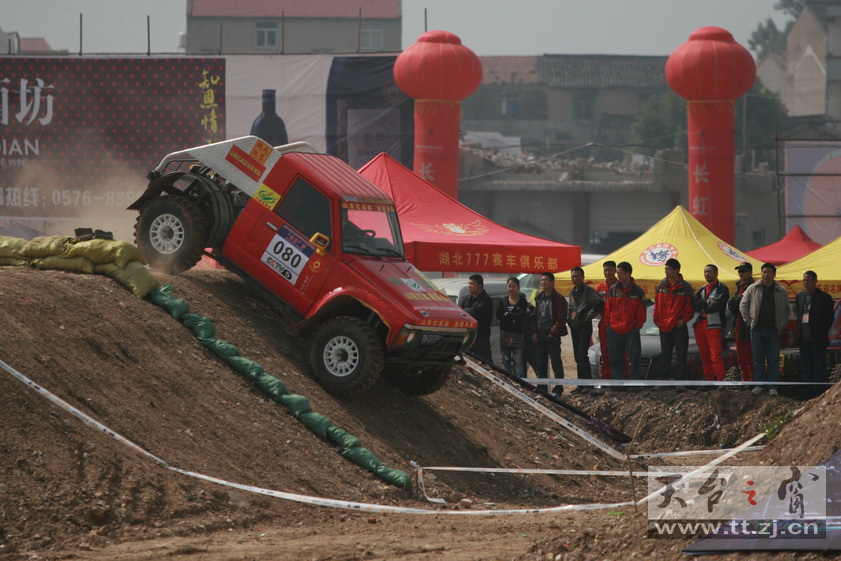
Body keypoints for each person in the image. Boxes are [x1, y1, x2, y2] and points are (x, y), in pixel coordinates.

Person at [740, 263, 789, 397]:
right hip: (757, 329)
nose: (766, 275)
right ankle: (759, 385)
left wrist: (781, 325)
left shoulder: (781, 291)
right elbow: (743, 305)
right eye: (764, 272)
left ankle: (773, 387)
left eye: (768, 272)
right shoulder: (752, 288)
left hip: (774, 330)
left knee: (773, 359)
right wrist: (750, 322)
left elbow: (787, 310)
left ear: (774, 274)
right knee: (758, 359)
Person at [653, 258, 694, 386]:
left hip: (678, 327)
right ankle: (664, 383)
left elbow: (689, 307)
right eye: (665, 269)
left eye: (668, 269)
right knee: (665, 357)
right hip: (663, 326)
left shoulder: (685, 287)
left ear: (676, 270)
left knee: (681, 356)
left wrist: (683, 320)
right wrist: (656, 319)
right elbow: (657, 304)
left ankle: (680, 384)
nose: (666, 271)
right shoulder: (662, 285)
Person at [603, 261, 646, 384]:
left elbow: (641, 311)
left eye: (620, 273)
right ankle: (618, 383)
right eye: (617, 273)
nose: (618, 276)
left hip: (631, 330)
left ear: (628, 273)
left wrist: (637, 325)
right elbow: (608, 308)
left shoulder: (637, 291)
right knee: (615, 359)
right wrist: (608, 324)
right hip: (614, 330)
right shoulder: (613, 289)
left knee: (634, 358)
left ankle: (634, 383)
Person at [796, 270, 835, 399]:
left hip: (818, 339)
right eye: (804, 280)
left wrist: (820, 330)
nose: (806, 283)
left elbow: (829, 318)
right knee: (806, 368)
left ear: (815, 281)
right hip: (804, 339)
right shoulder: (800, 296)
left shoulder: (824, 297)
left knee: (819, 367)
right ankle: (808, 394)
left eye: (808, 280)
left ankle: (820, 394)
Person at [691, 264, 730, 385]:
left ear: (716, 273)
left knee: (715, 355)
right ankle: (709, 381)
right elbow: (694, 304)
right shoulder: (702, 289)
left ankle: (720, 381)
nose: (707, 274)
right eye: (705, 272)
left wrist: (703, 306)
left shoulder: (722, 288)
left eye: (709, 271)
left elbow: (716, 306)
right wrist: (707, 302)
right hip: (699, 325)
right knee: (704, 356)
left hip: (714, 325)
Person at [567, 267, 603, 394]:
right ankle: (581, 384)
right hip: (574, 326)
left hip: (584, 326)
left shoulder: (588, 291)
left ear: (582, 277)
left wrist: (587, 317)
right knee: (577, 356)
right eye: (573, 276)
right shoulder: (572, 292)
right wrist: (569, 320)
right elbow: (571, 308)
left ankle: (588, 384)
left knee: (582, 354)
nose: (574, 279)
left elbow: (598, 303)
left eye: (577, 276)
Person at [531, 272, 568, 395]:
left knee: (556, 363)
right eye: (541, 280)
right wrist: (534, 332)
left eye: (546, 280)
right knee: (540, 364)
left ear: (552, 282)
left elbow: (561, 319)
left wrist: (552, 333)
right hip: (540, 335)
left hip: (552, 336)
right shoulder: (539, 297)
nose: (543, 282)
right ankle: (541, 389)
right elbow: (536, 316)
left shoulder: (559, 299)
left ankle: (558, 389)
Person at [496, 276, 532, 378]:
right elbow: (498, 315)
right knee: (505, 361)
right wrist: (511, 316)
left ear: (518, 288)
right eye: (509, 286)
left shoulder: (522, 301)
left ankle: (520, 384)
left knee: (518, 363)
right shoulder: (503, 301)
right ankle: (507, 383)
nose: (511, 289)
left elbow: (520, 316)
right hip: (504, 334)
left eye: (514, 286)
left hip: (518, 335)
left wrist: (507, 315)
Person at [728, 262, 755, 386]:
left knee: (750, 354)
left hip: (749, 323)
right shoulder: (739, 286)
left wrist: (736, 301)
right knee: (741, 355)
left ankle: (752, 381)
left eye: (744, 271)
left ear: (750, 272)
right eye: (739, 271)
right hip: (739, 323)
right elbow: (733, 306)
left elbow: (742, 303)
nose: (741, 273)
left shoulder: (753, 287)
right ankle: (745, 381)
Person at [459, 274, 493, 363]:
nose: (469, 286)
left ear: (480, 286)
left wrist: (464, 311)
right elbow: (458, 311)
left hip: (481, 338)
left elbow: (476, 312)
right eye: (468, 284)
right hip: (468, 337)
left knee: (484, 362)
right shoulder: (467, 299)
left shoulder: (486, 299)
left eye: (472, 284)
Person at [594, 260, 619, 380]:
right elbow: (594, 306)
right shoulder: (599, 288)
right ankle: (605, 378)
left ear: (615, 271)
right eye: (605, 270)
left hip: (619, 324)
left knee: (620, 352)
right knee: (605, 352)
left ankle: (621, 377)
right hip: (604, 323)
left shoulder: (621, 285)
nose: (607, 272)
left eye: (610, 270)